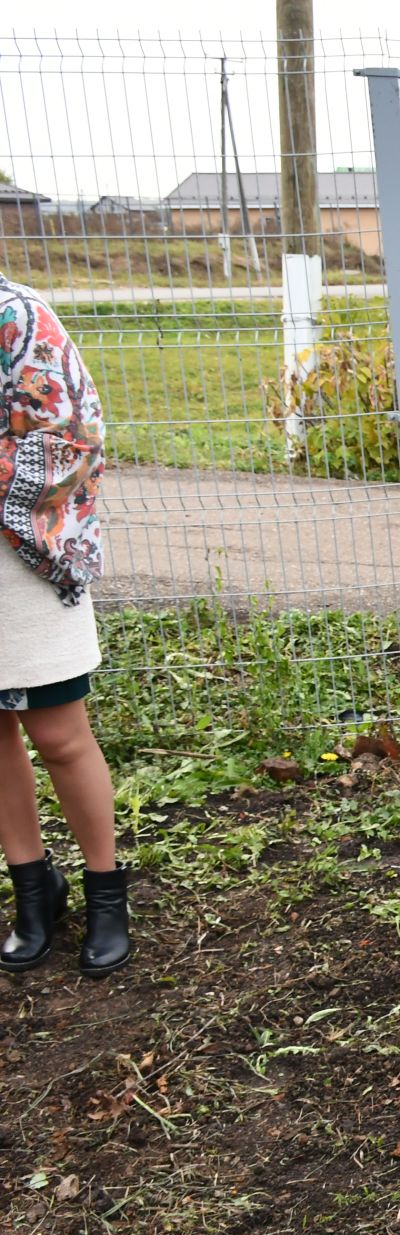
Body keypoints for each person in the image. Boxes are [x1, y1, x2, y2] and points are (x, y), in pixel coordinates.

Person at [0, 273, 129, 978]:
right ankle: (32, 888)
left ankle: (108, 892)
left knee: (58, 733)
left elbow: (73, 434)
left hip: (23, 555)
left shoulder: (19, 317)